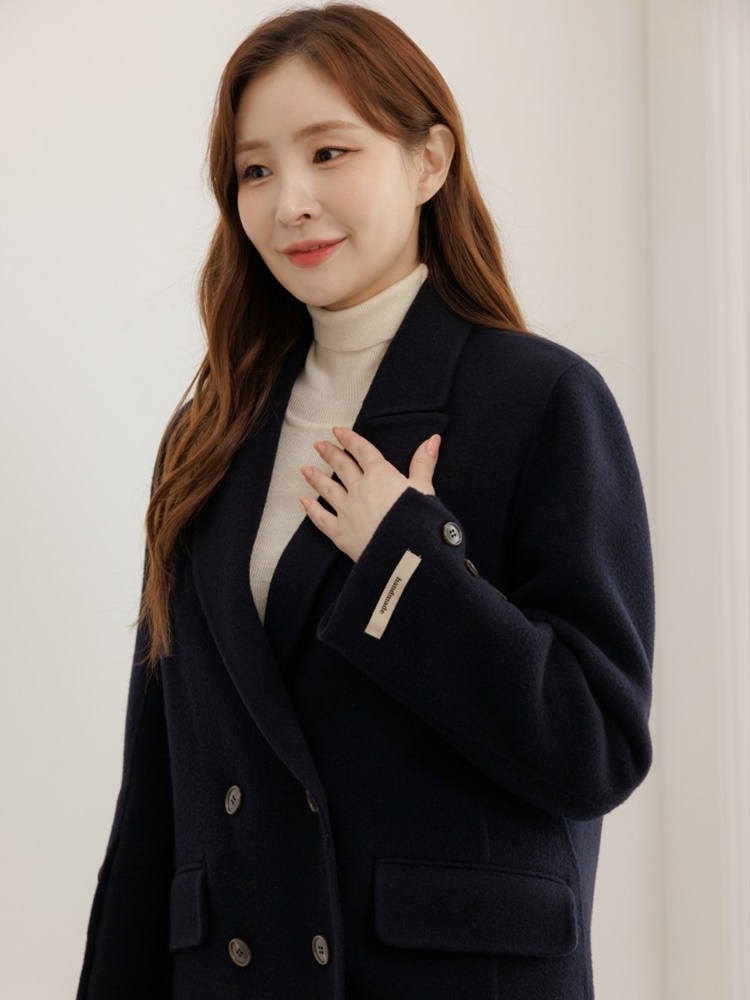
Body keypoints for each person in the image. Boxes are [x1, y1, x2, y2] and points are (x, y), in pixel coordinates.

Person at [75, 4, 655, 999]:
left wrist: (404, 562)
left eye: (328, 152)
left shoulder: (540, 399)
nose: (289, 202)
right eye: (255, 171)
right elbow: (157, 799)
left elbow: (595, 747)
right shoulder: (211, 434)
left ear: (429, 161)